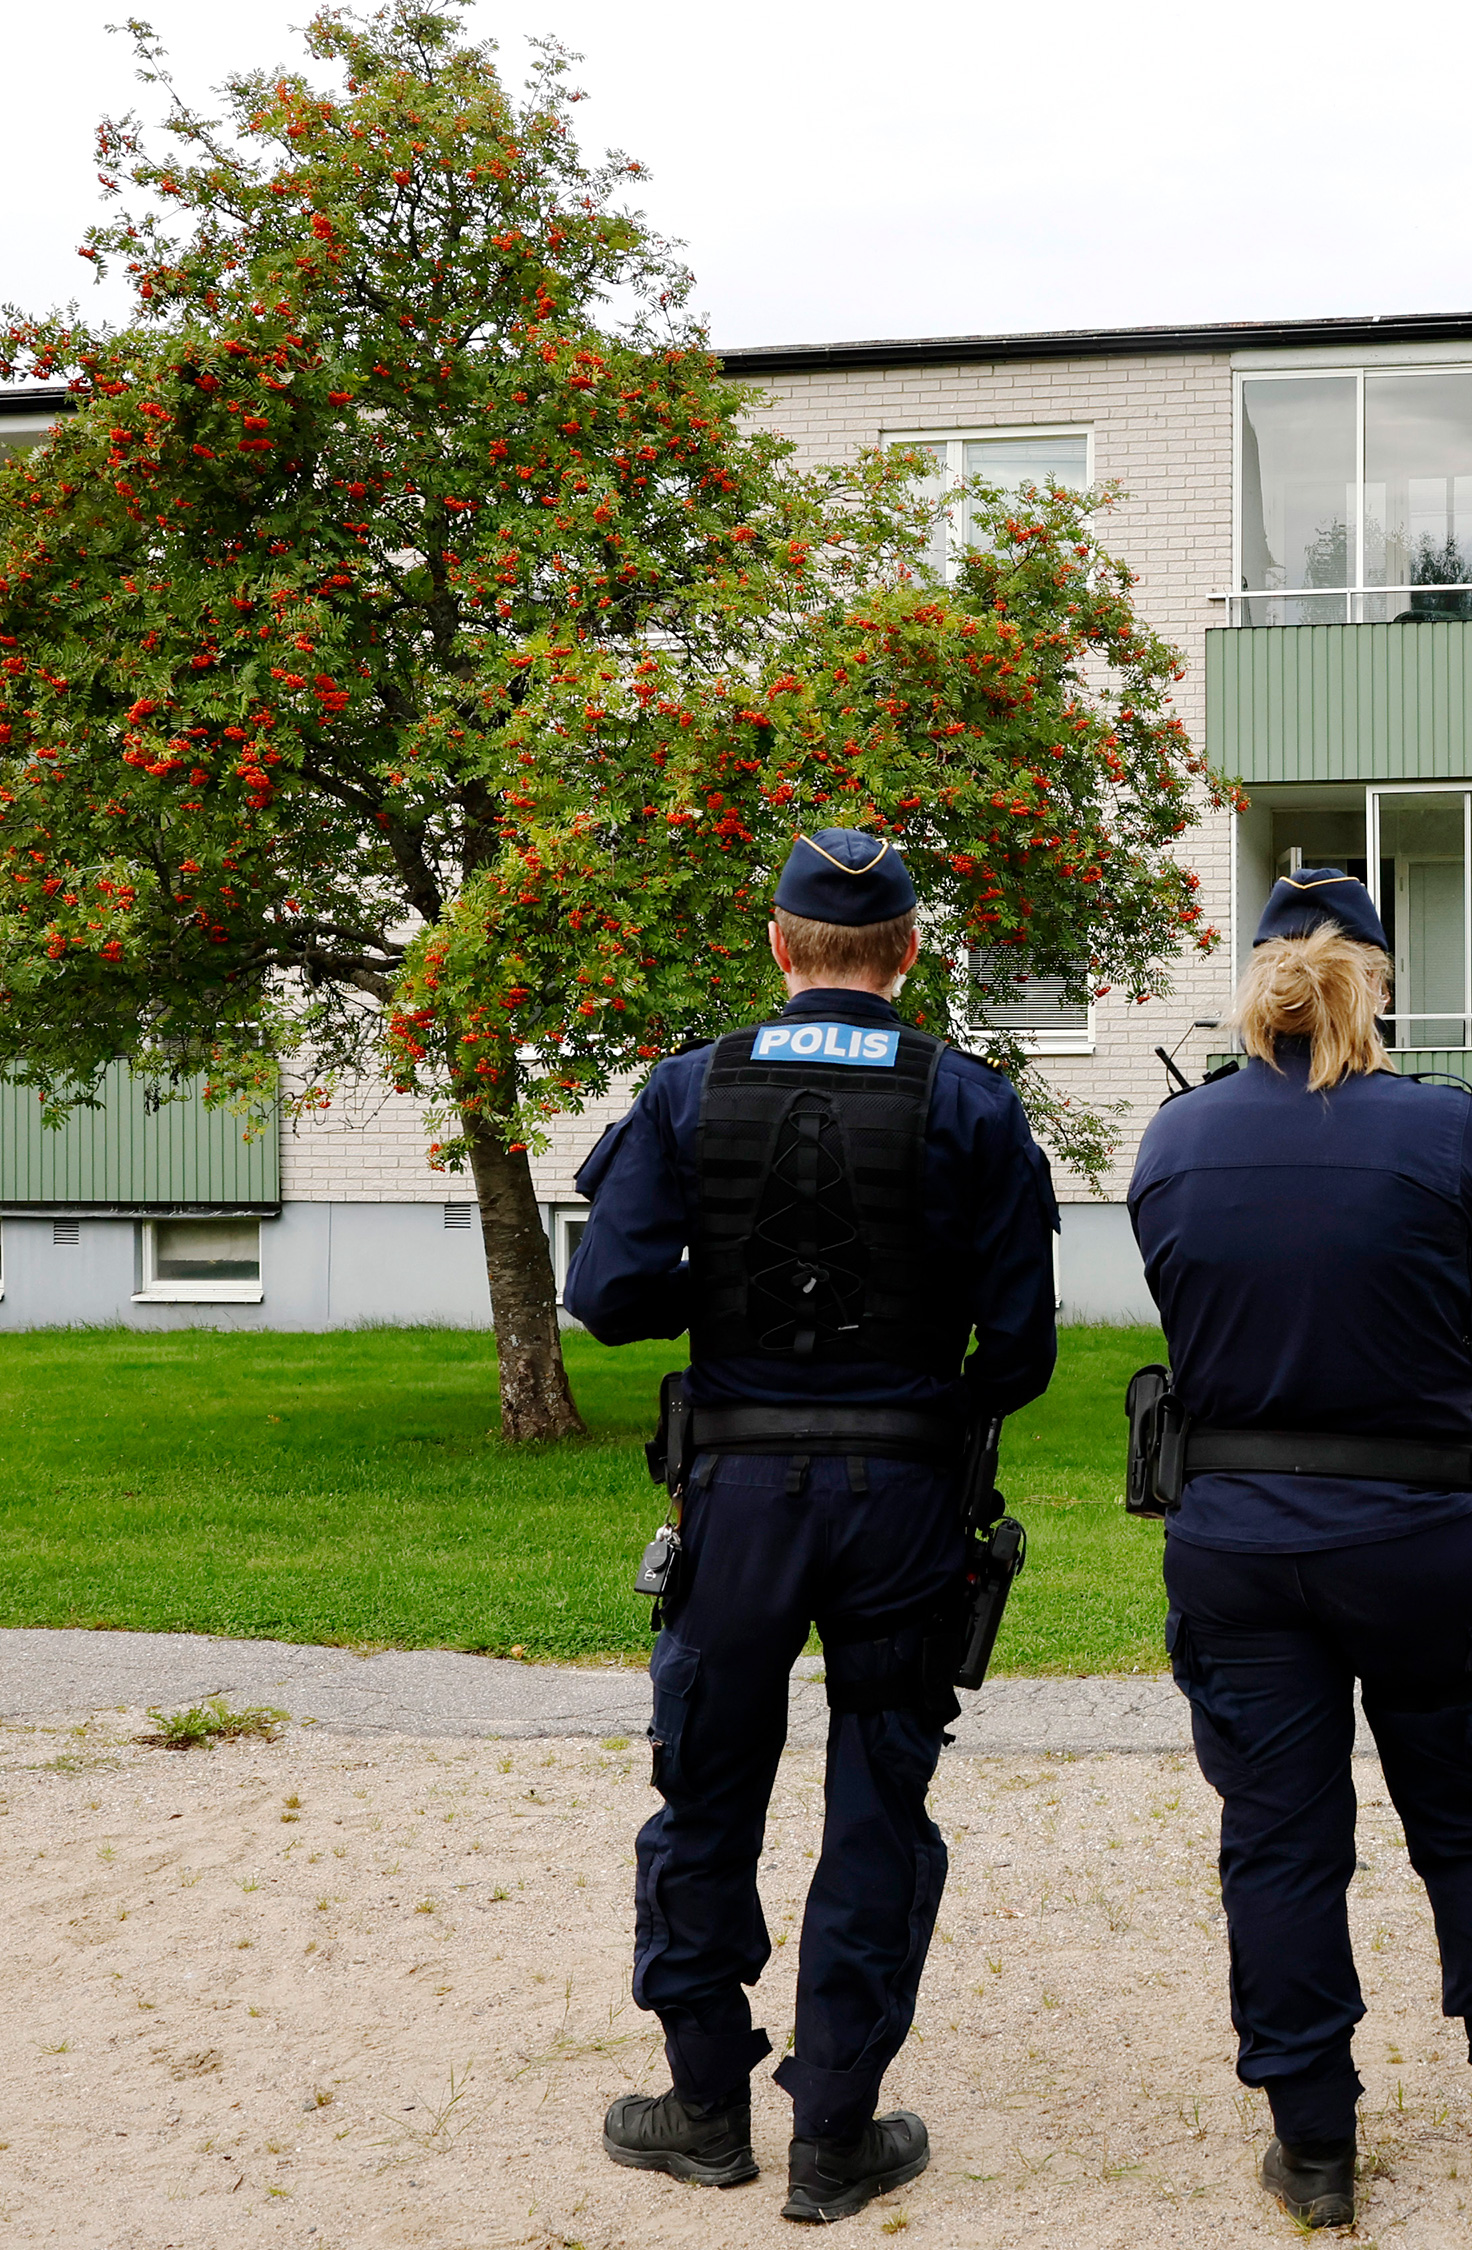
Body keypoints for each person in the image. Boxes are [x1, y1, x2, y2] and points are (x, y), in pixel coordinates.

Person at [560, 827, 1060, 2226]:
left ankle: (707, 2106)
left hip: (736, 1502)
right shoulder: (969, 1101)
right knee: (878, 1803)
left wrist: (718, 1296)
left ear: (780, 945)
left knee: (706, 1792)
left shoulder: (688, 1085)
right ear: (907, 952)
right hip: (903, 1500)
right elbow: (1019, 1353)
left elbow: (606, 1297)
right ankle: (836, 2130)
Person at [1127, 869, 1472, 2231]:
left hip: (1239, 1541)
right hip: (1417, 1534)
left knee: (1278, 1844)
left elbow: (1182, 1288)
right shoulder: (1444, 1130)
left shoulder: (1177, 1137)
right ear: (1375, 978)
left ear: (1259, 976)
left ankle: (1316, 2149)